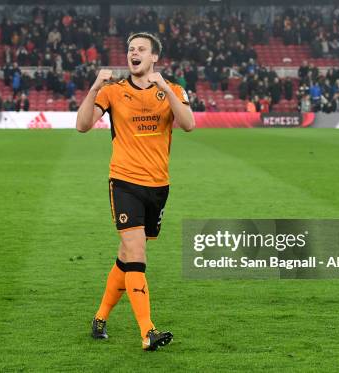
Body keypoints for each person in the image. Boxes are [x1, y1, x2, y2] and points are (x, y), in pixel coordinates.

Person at [76, 32, 195, 351]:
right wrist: (93, 88)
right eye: (130, 49)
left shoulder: (173, 90)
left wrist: (166, 90)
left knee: (127, 256)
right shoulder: (113, 91)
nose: (134, 53)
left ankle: (100, 318)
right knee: (137, 252)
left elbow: (188, 124)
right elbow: (82, 125)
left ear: (155, 57)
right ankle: (148, 332)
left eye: (141, 49)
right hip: (125, 181)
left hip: (158, 186)